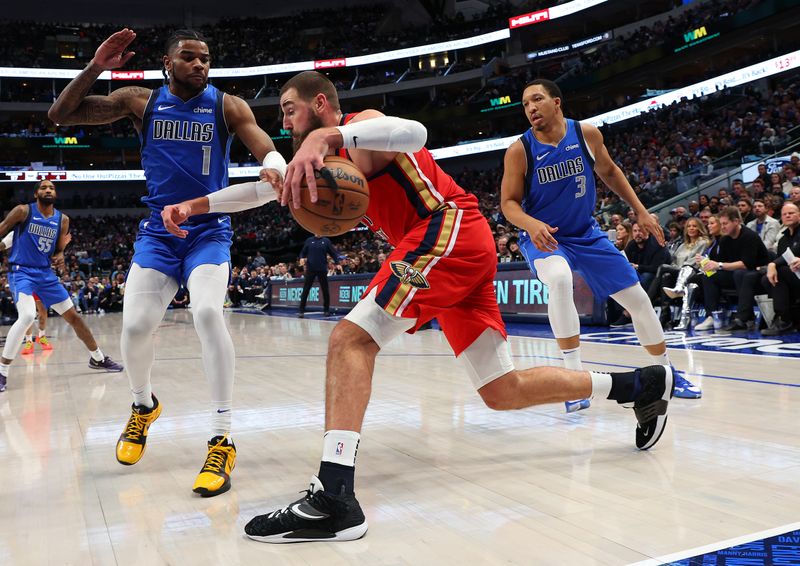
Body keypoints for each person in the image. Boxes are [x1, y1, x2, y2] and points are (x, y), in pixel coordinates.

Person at [162, 71, 676, 543]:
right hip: (457, 249)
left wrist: (332, 134)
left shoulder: (359, 127)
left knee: (350, 338)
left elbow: (416, 133)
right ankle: (641, 384)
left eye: (291, 110)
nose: (285, 122)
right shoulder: (320, 162)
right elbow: (261, 190)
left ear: (321, 104)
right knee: (500, 390)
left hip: (445, 227)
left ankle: (335, 497)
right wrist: (194, 206)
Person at [48, 28, 284, 496]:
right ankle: (143, 406)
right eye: (189, 57)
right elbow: (60, 115)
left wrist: (275, 161)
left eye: (206, 59)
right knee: (134, 328)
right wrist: (96, 66)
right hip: (158, 233)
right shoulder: (141, 101)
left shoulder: (227, 105)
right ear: (167, 63)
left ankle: (222, 437)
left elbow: (263, 147)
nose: (199, 65)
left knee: (208, 313)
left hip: (207, 231)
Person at [500, 78, 699, 409]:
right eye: (525, 104)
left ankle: (666, 372)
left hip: (585, 232)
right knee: (560, 279)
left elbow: (610, 172)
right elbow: (508, 203)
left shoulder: (586, 135)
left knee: (637, 299)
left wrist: (640, 212)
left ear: (557, 102)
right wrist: (531, 224)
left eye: (537, 100)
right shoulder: (520, 150)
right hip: (545, 235)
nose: (531, 108)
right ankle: (575, 381)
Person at [0, 181, 123, 393]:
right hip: (22, 272)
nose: (48, 190)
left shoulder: (62, 220)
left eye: (52, 188)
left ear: (55, 194)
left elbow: (56, 252)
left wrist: (60, 256)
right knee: (28, 316)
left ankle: (98, 358)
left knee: (74, 317)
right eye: (44, 187)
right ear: (36, 193)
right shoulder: (22, 211)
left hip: (45, 274)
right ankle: (2, 372)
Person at [694, 207, 770, 332]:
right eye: (721, 224)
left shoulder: (749, 236)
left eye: (725, 223)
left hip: (759, 271)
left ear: (736, 221)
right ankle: (711, 315)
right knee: (708, 276)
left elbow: (746, 264)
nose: (722, 227)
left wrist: (718, 265)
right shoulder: (725, 239)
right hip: (736, 273)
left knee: (741, 274)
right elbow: (722, 263)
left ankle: (743, 319)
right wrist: (706, 262)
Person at [0, 232, 53, 354]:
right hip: (22, 276)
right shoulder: (15, 234)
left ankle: (42, 336)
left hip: (39, 275)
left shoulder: (38, 232)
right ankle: (29, 341)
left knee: (43, 310)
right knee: (26, 314)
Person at [761, 202, 800, 335]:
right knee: (767, 278)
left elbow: (794, 252)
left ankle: (784, 319)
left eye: (791, 213)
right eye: (784, 214)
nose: (788, 216)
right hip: (793, 275)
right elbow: (781, 260)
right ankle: (788, 316)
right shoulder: (783, 239)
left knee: (780, 273)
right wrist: (772, 267)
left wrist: (773, 264)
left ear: (799, 215)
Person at [298, 233, 340, 318]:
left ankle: (326, 310)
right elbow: (303, 252)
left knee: (325, 290)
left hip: (322, 269)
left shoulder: (326, 241)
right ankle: (301, 310)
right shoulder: (309, 240)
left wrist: (337, 263)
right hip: (310, 269)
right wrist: (301, 258)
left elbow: (333, 253)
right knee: (306, 289)